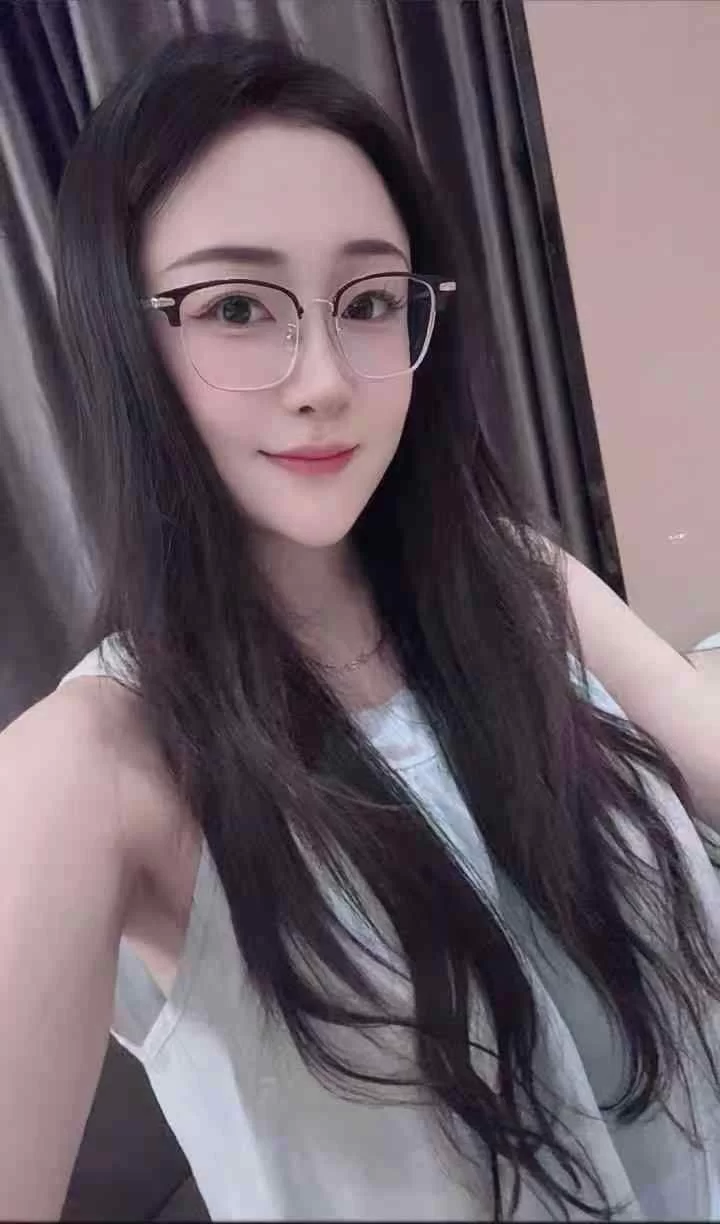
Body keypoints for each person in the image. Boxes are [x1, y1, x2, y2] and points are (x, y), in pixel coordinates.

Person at [2, 31, 720, 1222]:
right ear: (123, 340)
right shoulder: (93, 768)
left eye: (371, 300)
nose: (326, 379)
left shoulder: (518, 582)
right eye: (239, 306)